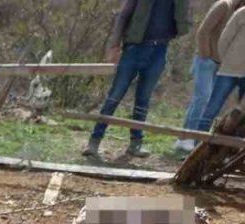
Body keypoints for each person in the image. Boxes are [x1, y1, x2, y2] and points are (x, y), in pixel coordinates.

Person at [82, 0, 193, 159]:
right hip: (135, 48)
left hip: (159, 49)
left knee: (143, 100)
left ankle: (135, 143)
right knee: (115, 95)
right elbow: (123, 16)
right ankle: (94, 141)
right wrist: (115, 45)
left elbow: (185, 23)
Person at [174, 0, 244, 153]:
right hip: (210, 62)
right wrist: (208, 55)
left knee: (206, 101)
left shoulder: (236, 10)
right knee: (203, 99)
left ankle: (185, 137)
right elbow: (204, 31)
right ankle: (191, 140)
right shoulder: (224, 6)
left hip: (221, 63)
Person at [196, 5, 245, 132]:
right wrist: (227, 60)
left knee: (241, 115)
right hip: (229, 70)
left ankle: (232, 148)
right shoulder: (241, 13)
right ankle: (198, 142)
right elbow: (225, 39)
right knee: (212, 108)